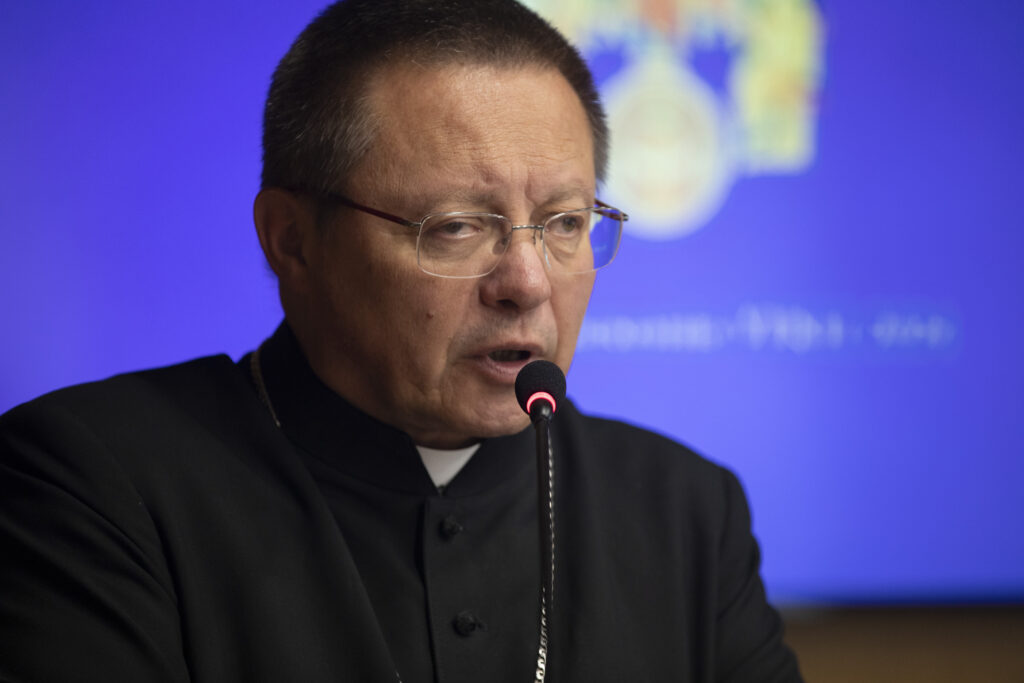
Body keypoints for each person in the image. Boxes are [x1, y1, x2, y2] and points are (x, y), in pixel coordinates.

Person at [0, 1, 802, 681]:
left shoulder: (685, 512)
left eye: (564, 222)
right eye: (456, 226)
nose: (528, 282)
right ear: (292, 241)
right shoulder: (93, 485)